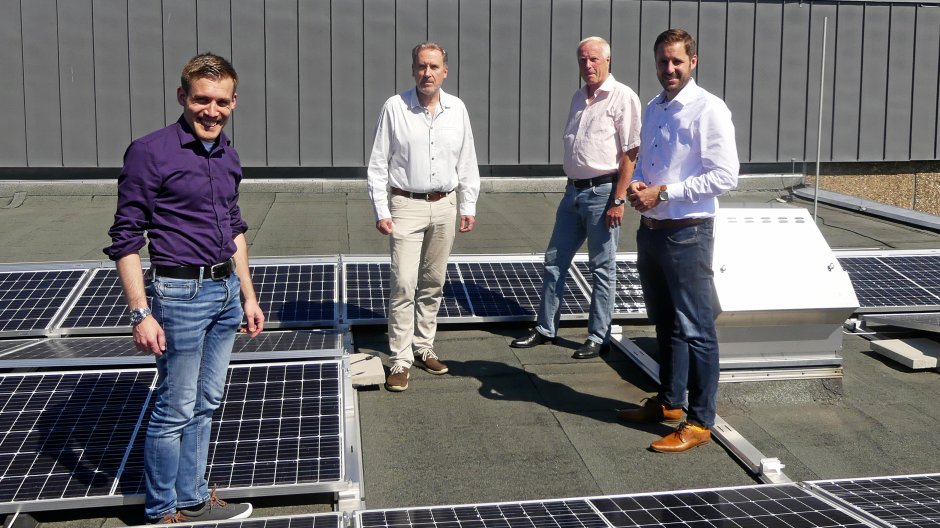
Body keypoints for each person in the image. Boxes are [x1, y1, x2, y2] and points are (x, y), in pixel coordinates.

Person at [104, 53, 265, 523]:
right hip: (179, 297)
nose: (210, 110)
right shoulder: (149, 152)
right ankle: (162, 511)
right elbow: (126, 238)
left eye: (220, 101)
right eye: (201, 100)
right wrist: (140, 311)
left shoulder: (228, 154)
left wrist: (247, 294)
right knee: (175, 407)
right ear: (183, 97)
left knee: (207, 402)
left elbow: (234, 228)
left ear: (233, 102)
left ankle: (193, 498)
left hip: (224, 293)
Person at [617, 29, 739, 453]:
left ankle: (700, 422)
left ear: (693, 62)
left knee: (697, 328)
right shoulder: (654, 107)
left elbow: (726, 176)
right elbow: (653, 164)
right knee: (665, 324)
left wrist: (664, 193)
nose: (669, 69)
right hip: (652, 230)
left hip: (687, 233)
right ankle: (670, 403)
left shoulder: (709, 110)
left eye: (677, 62)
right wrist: (640, 188)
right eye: (663, 61)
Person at [511, 36, 640, 359]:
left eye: (594, 59)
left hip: (603, 192)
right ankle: (546, 328)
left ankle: (599, 336)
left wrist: (618, 199)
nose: (588, 65)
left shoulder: (622, 97)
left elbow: (631, 153)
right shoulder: (578, 97)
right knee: (555, 260)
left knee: (602, 268)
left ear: (609, 61)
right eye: (583, 60)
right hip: (574, 192)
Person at [367, 42, 480, 392]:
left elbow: (467, 161)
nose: (426, 73)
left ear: (445, 71)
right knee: (403, 283)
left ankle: (423, 347)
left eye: (433, 67)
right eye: (421, 66)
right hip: (406, 205)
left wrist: (467, 205)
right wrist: (382, 209)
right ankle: (400, 359)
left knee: (433, 283)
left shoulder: (457, 109)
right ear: (413, 69)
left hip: (444, 206)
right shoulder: (395, 108)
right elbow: (377, 164)